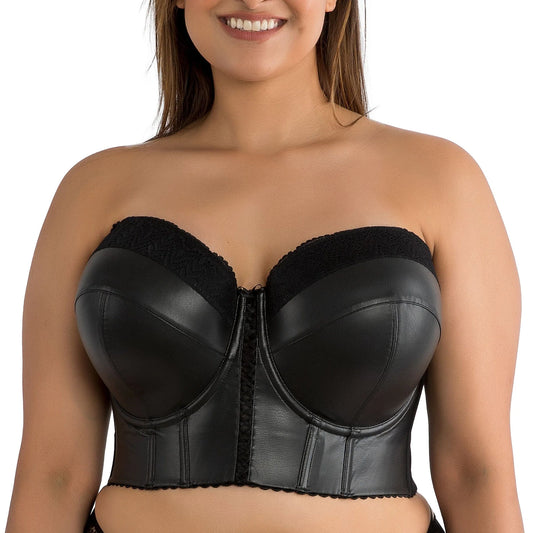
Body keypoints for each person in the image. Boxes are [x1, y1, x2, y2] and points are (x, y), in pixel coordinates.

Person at [5, 0, 524, 532]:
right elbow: (53, 475)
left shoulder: (441, 181)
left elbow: (476, 474)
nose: (253, 0)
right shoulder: (94, 191)